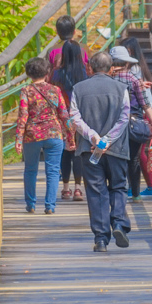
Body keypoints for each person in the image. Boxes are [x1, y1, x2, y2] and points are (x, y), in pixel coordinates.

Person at [69, 51, 132, 252]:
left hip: (89, 149)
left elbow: (75, 118)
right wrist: (107, 140)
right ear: (111, 68)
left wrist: (94, 137)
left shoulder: (78, 89)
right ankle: (119, 223)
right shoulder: (122, 88)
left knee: (96, 192)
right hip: (116, 149)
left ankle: (101, 239)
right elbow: (124, 117)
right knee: (119, 186)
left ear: (90, 67)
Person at [15, 57, 73, 215]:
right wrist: (71, 137)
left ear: (28, 73)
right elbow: (64, 115)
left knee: (30, 170)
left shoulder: (26, 91)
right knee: (53, 171)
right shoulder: (56, 90)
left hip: (32, 135)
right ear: (48, 72)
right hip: (54, 133)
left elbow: (23, 116)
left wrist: (19, 139)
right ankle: (50, 206)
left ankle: (31, 204)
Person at [110, 42, 152, 199]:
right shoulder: (134, 79)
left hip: (113, 123)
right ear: (126, 62)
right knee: (134, 159)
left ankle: (118, 190)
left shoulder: (107, 80)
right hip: (134, 122)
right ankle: (136, 193)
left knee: (116, 157)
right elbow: (144, 103)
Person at [51, 40, 88, 201]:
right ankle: (78, 189)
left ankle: (66, 189)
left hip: (62, 117)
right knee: (78, 152)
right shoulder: (85, 72)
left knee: (65, 153)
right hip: (80, 116)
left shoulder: (57, 74)